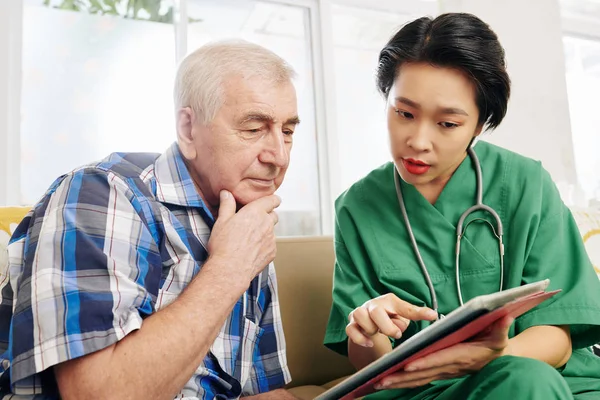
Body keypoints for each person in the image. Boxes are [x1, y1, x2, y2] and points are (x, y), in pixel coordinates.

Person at [0, 40, 301, 399]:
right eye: (253, 129)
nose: (279, 157)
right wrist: (230, 268)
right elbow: (96, 395)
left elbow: (263, 394)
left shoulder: (247, 224)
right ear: (189, 129)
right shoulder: (103, 193)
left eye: (287, 131)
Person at [324, 12, 600, 400]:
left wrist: (485, 360)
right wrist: (368, 330)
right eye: (404, 113)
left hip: (541, 377)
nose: (418, 141)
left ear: (479, 125)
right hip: (422, 394)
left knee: (526, 381)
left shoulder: (526, 184)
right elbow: (372, 364)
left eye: (447, 124)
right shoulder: (357, 207)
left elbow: (556, 339)